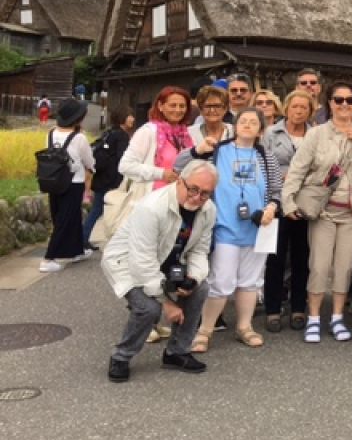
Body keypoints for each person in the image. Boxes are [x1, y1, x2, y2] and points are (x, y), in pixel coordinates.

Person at [281, 81, 352, 343]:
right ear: (330, 104)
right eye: (339, 100)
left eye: (350, 100)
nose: (344, 105)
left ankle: (337, 317)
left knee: (344, 267)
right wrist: (288, 201)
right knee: (319, 265)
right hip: (324, 210)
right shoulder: (316, 134)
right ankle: (314, 317)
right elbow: (298, 168)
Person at [102, 160, 218, 382]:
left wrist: (193, 278)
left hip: (169, 260)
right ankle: (121, 357)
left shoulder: (208, 210)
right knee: (149, 308)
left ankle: (177, 352)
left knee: (201, 288)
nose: (197, 197)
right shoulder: (151, 207)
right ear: (180, 181)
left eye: (205, 193)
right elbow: (141, 262)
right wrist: (167, 303)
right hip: (127, 263)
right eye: (193, 189)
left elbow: (200, 250)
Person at [180, 107, 282, 352]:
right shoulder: (217, 150)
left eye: (253, 122)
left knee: (250, 281)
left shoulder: (266, 156)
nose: (247, 125)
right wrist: (197, 151)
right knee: (222, 281)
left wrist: (272, 207)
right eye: (243, 121)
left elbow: (278, 192)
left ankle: (244, 326)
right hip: (224, 226)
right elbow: (180, 164)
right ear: (235, 125)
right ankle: (205, 329)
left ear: (261, 128)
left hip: (258, 229)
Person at [119, 85, 195, 342]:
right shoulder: (148, 131)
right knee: (144, 261)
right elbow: (126, 165)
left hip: (177, 205)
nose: (177, 110)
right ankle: (144, 319)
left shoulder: (184, 133)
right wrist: (160, 173)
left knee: (163, 261)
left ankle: (153, 318)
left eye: (182, 106)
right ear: (160, 106)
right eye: (171, 105)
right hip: (151, 203)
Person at [262, 89, 316, 333]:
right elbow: (261, 163)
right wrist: (282, 176)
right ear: (286, 108)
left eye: (304, 107)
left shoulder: (315, 135)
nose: (299, 111)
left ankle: (298, 307)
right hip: (277, 202)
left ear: (310, 111)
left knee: (301, 258)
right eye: (295, 106)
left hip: (304, 202)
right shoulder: (271, 134)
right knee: (275, 258)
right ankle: (273, 309)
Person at [38, 99, 96, 273]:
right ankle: (48, 258)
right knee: (65, 220)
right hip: (73, 183)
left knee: (64, 217)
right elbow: (89, 161)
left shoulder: (50, 133)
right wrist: (92, 169)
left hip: (53, 181)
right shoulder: (79, 138)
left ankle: (76, 251)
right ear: (78, 119)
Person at [82, 106, 135, 249]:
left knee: (97, 210)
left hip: (101, 178)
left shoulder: (109, 133)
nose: (133, 119)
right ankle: (86, 238)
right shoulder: (122, 136)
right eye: (129, 115)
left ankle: (83, 238)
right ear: (122, 118)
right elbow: (123, 159)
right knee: (116, 211)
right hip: (112, 180)